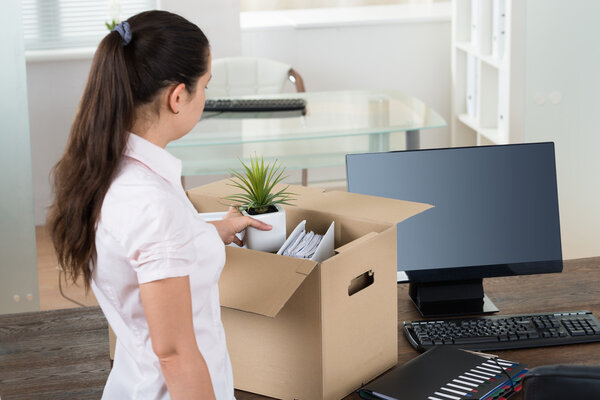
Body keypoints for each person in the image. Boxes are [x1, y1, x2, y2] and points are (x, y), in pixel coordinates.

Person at [47, 10, 270, 400]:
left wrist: (213, 229)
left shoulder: (110, 171)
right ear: (178, 97)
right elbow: (175, 354)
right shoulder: (150, 202)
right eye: (204, 87)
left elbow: (148, 251)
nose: (205, 98)